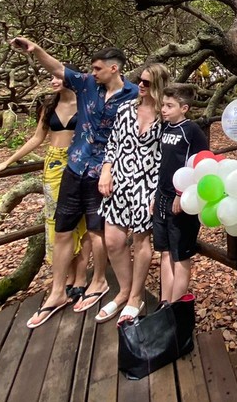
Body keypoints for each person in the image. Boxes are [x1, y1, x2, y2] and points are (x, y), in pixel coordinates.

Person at [10, 37, 138, 329]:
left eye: (97, 68)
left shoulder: (133, 95)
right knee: (63, 230)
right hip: (75, 165)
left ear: (114, 68)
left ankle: (99, 281)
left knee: (97, 231)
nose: (93, 72)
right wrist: (36, 50)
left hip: (104, 173)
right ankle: (57, 292)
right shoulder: (87, 85)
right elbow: (58, 68)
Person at [0, 77, 91, 299]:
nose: (53, 81)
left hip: (79, 162)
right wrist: (8, 161)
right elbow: (37, 138)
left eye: (58, 77)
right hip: (53, 163)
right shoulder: (49, 106)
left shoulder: (86, 104)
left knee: (81, 219)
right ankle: (66, 277)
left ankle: (80, 276)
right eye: (51, 77)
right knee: (57, 220)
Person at [95, 63, 171, 324]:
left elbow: (169, 156)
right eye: (140, 80)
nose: (140, 85)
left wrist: (159, 193)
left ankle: (135, 297)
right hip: (120, 180)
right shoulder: (126, 108)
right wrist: (106, 171)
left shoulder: (165, 116)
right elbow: (113, 143)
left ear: (158, 85)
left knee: (141, 241)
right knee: (113, 241)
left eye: (147, 82)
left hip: (148, 184)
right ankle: (124, 291)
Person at [152, 83, 209, 304]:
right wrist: (156, 196)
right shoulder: (165, 128)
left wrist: (181, 194)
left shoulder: (191, 131)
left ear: (184, 108)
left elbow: (199, 165)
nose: (164, 109)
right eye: (163, 105)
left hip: (181, 201)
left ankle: (176, 307)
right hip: (162, 197)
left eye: (169, 106)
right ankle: (165, 303)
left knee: (180, 255)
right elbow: (163, 164)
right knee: (165, 252)